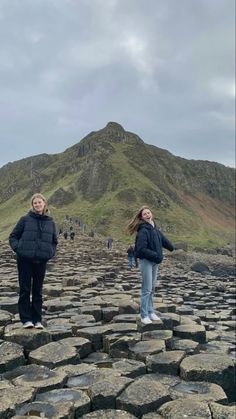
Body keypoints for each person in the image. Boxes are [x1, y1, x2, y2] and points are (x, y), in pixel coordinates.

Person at [9, 193, 58, 329]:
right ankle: (26, 319)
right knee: (25, 289)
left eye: (39, 202)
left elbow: (54, 241)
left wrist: (50, 253)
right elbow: (13, 236)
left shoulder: (50, 222)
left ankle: (37, 320)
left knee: (38, 290)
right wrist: (19, 249)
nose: (37, 204)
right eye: (35, 203)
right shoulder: (24, 219)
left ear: (44, 204)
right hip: (24, 260)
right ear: (32, 205)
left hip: (41, 261)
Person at [126, 206, 174, 325]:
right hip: (146, 261)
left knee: (152, 289)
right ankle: (144, 315)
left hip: (154, 262)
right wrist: (156, 256)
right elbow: (140, 250)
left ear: (151, 214)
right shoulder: (143, 230)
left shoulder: (154, 229)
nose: (147, 215)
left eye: (148, 212)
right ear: (142, 217)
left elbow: (164, 241)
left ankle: (151, 311)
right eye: (144, 214)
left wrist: (172, 248)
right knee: (146, 289)